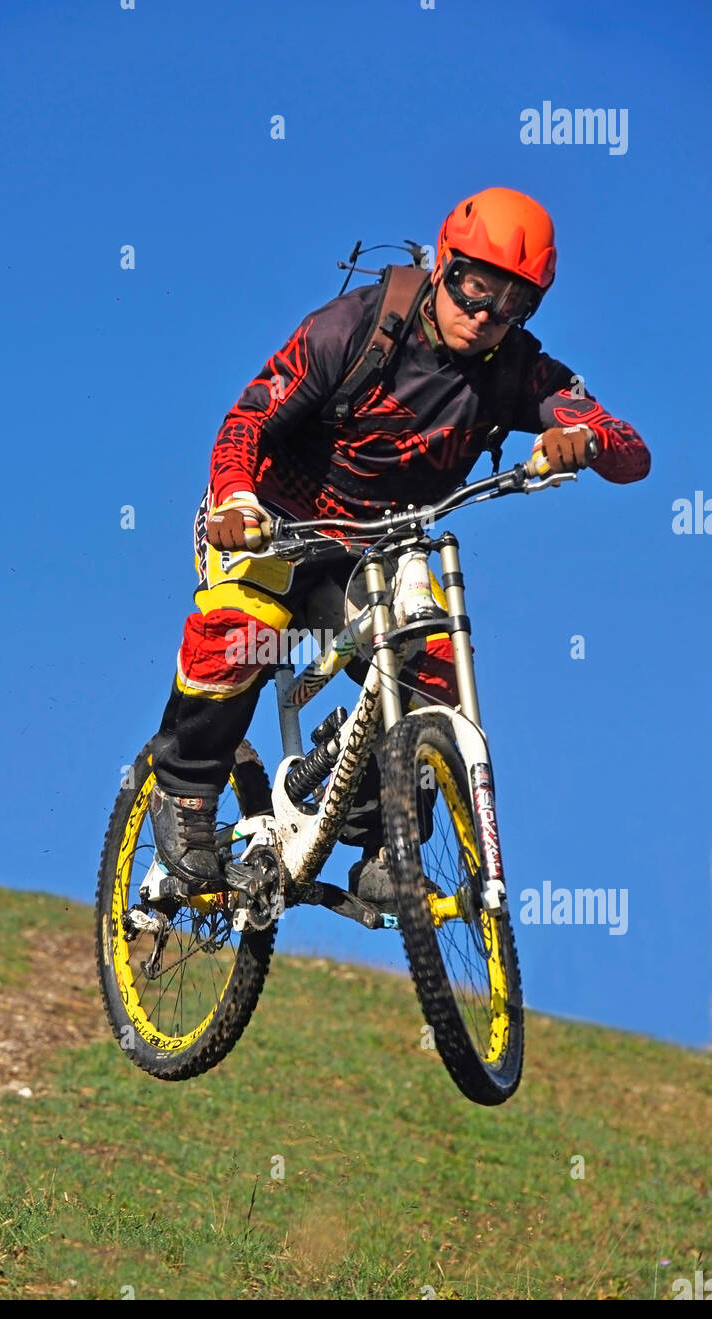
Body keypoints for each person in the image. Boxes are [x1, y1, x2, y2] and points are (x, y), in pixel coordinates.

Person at [147, 187, 650, 905]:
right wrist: (234, 498)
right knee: (243, 637)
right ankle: (185, 794)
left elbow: (633, 455)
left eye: (512, 304)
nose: (484, 316)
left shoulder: (517, 370)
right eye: (476, 288)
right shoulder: (353, 328)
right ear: (444, 264)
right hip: (274, 522)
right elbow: (245, 420)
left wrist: (588, 437)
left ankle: (387, 838)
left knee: (434, 656)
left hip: (379, 546)